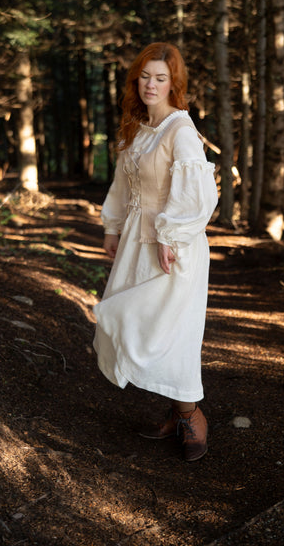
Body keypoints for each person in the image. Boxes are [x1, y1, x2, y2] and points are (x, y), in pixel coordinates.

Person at [93, 42, 218, 461]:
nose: (151, 84)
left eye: (160, 78)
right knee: (145, 327)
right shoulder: (139, 127)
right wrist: (112, 227)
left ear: (173, 83)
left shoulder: (180, 129)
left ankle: (191, 416)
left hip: (172, 247)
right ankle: (177, 410)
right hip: (135, 240)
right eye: (145, 76)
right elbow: (123, 186)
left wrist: (171, 235)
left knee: (164, 329)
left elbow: (199, 194)